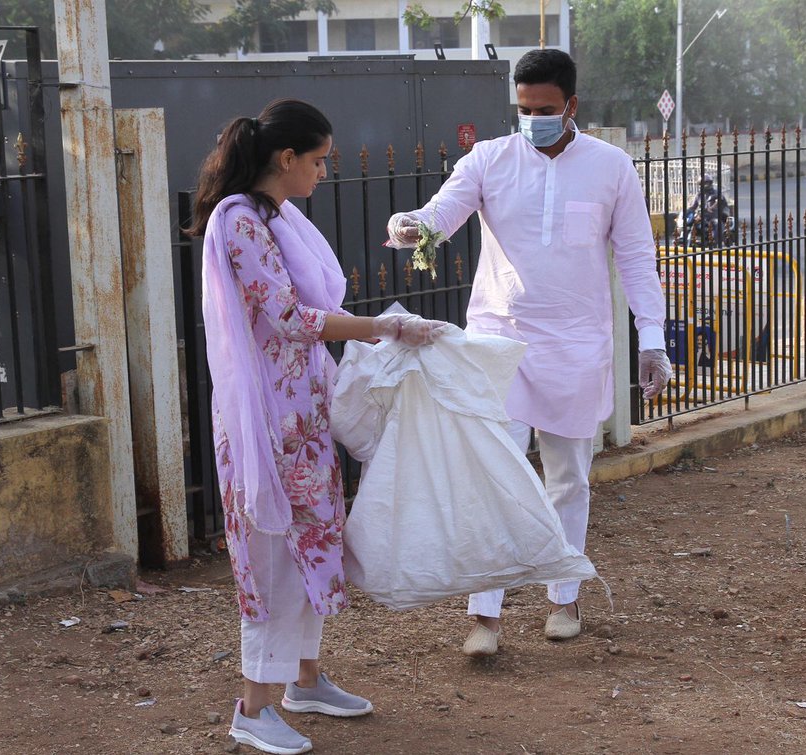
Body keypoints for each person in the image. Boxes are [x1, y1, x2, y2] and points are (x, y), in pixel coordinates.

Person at [385, 49, 672, 657]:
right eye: (523, 109)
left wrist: (652, 342)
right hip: (499, 339)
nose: (532, 118)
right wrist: (412, 225)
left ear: (572, 106)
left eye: (544, 109)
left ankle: (563, 598)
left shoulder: (612, 167)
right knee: (495, 475)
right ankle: (484, 616)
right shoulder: (489, 158)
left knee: (568, 478)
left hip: (576, 342)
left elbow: (637, 261)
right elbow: (440, 214)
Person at [189, 98, 446, 754]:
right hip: (268, 423)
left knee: (309, 542)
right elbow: (288, 317)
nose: (323, 172)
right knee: (272, 555)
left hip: (298, 415)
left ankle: (302, 679)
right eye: (319, 159)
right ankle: (252, 707)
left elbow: (304, 314)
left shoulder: (275, 218)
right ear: (286, 158)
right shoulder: (242, 222)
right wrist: (382, 326)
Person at [683, 174, 730, 246]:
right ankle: (683, 239)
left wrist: (713, 207)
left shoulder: (716, 193)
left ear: (709, 183)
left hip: (713, 216)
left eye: (705, 183)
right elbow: (693, 206)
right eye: (701, 184)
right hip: (702, 216)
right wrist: (686, 212)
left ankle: (714, 241)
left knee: (716, 223)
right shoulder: (699, 195)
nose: (703, 185)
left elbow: (720, 202)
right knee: (689, 223)